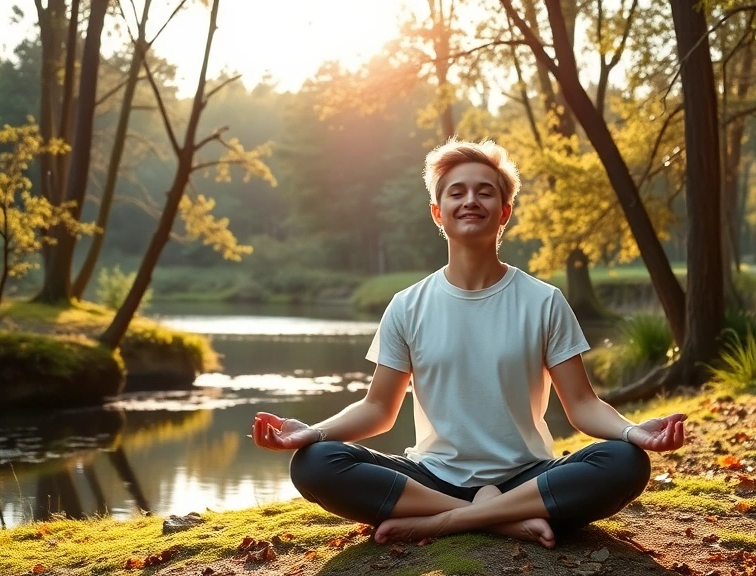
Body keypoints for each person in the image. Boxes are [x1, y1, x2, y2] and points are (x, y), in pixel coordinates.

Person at [251, 139, 687, 549]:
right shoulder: (407, 306)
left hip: (527, 477)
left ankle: (447, 522)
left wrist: (633, 432)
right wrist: (315, 431)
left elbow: (582, 405)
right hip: (431, 478)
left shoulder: (543, 301)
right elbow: (378, 410)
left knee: (625, 463)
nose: (470, 200)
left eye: (484, 192)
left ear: (504, 211)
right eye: (457, 192)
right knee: (314, 462)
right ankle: (499, 519)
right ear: (438, 213)